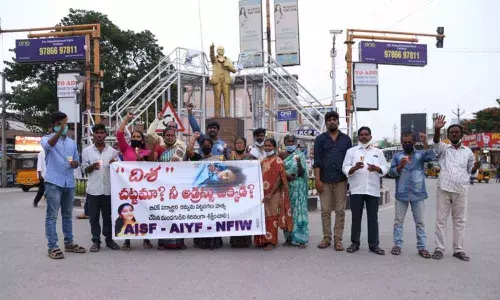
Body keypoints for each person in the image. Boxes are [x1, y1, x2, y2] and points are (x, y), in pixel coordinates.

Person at [431, 115, 480, 262]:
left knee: (459, 221)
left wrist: (475, 168)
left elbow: (471, 172)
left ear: (461, 135)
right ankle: (439, 248)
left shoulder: (468, 152)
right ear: (447, 135)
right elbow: (435, 142)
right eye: (451, 132)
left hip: (461, 190)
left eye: (456, 132)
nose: (453, 134)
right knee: (441, 220)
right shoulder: (444, 149)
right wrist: (437, 129)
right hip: (444, 188)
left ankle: (458, 249)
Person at [41, 111, 86, 259]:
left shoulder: (71, 143)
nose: (64, 127)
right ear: (53, 125)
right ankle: (52, 247)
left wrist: (75, 163)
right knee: (52, 216)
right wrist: (59, 131)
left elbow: (76, 161)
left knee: (67, 215)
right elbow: (49, 146)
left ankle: (69, 243)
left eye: (66, 124)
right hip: (54, 182)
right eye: (61, 124)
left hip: (69, 183)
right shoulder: (46, 139)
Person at [342, 127, 388, 255]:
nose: (364, 137)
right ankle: (355, 243)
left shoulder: (378, 152)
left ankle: (374, 245)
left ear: (370, 136)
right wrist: (354, 168)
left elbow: (385, 168)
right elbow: (345, 167)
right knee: (356, 218)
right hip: (357, 189)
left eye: (366, 134)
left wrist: (377, 168)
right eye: (361, 135)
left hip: (372, 189)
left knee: (373, 218)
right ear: (358, 137)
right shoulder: (351, 152)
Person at [389, 131, 435, 258]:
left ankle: (422, 247)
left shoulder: (420, 155)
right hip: (401, 194)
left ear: (414, 142)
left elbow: (431, 157)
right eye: (405, 142)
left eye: (409, 142)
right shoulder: (397, 156)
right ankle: (397, 245)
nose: (407, 144)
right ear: (401, 142)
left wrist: (425, 141)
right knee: (398, 221)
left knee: (420, 222)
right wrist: (400, 166)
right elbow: (391, 173)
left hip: (418, 194)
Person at [313, 111, 352, 251]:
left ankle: (338, 239)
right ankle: (327, 238)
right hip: (324, 180)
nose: (332, 122)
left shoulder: (346, 139)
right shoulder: (320, 140)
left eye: (334, 119)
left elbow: (349, 161)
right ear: (326, 122)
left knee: (340, 211)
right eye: (329, 120)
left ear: (338, 122)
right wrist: (317, 180)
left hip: (341, 180)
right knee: (325, 210)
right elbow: (316, 161)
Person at [81, 124, 121, 252]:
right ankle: (96, 241)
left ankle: (109, 240)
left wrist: (115, 165)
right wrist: (91, 167)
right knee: (93, 218)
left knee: (108, 217)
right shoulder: (87, 151)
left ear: (105, 135)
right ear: (93, 135)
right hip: (93, 190)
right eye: (97, 133)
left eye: (102, 133)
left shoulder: (113, 152)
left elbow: (120, 169)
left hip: (108, 190)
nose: (99, 135)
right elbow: (84, 169)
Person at [117, 112, 153, 250]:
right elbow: (119, 134)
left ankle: (146, 239)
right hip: (127, 187)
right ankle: (127, 241)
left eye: (138, 137)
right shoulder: (126, 149)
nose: (136, 138)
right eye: (134, 136)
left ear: (142, 140)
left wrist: (142, 160)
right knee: (128, 213)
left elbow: (152, 168)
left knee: (145, 212)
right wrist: (127, 119)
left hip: (144, 188)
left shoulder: (147, 152)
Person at [150, 126, 187, 250]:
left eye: (172, 135)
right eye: (168, 135)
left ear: (176, 137)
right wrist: (153, 147)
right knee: (164, 214)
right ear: (164, 137)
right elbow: (151, 161)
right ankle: (163, 241)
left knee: (178, 214)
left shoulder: (181, 150)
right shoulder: (159, 149)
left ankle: (179, 242)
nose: (170, 137)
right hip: (163, 187)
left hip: (178, 187)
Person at [187, 133, 224, 249]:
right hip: (200, 193)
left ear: (212, 146)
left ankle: (215, 240)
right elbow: (188, 151)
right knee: (201, 216)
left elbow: (222, 174)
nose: (206, 147)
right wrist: (194, 138)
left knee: (214, 216)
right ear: (201, 146)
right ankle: (200, 241)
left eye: (208, 145)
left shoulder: (218, 159)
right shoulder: (198, 158)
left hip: (213, 192)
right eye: (204, 145)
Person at [254, 138, 293, 251]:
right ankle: (261, 240)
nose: (267, 148)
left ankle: (271, 241)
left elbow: (280, 179)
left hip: (273, 194)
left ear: (274, 147)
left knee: (272, 217)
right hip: (262, 193)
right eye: (265, 146)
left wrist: (271, 193)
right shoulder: (263, 160)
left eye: (269, 146)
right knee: (262, 216)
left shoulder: (278, 161)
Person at [280, 134, 309, 249]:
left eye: (292, 141)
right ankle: (288, 238)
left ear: (296, 143)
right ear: (285, 143)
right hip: (286, 187)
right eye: (288, 141)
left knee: (299, 213)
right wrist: (286, 175)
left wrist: (298, 164)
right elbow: (279, 170)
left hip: (298, 188)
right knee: (287, 212)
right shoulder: (281, 155)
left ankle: (301, 239)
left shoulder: (300, 155)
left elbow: (302, 172)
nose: (290, 143)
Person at [229, 137, 256, 248]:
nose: (239, 145)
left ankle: (246, 240)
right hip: (233, 192)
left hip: (246, 192)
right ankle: (234, 240)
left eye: (241, 143)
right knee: (235, 215)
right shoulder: (229, 158)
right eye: (237, 143)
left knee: (245, 215)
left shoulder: (251, 158)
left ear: (245, 145)